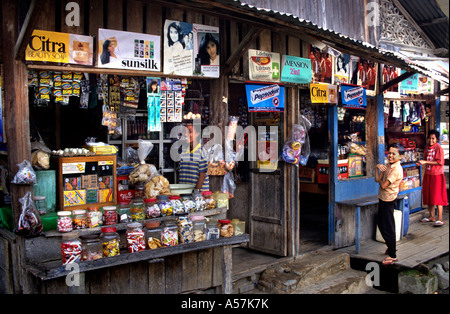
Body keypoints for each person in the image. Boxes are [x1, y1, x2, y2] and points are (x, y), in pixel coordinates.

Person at [375, 143, 405, 265]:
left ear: (401, 156)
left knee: (388, 227)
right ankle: (390, 246)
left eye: (394, 153)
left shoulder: (396, 169)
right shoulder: (388, 165)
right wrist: (377, 169)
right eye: (390, 153)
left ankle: (392, 255)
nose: (391, 155)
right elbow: (377, 179)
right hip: (383, 198)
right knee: (381, 224)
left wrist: (381, 175)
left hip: (389, 200)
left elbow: (383, 185)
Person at [417, 130, 448, 227]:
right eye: (429, 138)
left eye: (433, 138)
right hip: (428, 174)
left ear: (437, 139)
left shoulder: (439, 148)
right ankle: (431, 216)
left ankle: (440, 219)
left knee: (437, 196)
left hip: (437, 175)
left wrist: (425, 162)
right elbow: (426, 160)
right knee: (429, 195)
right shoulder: (427, 148)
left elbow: (440, 162)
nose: (431, 140)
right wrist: (421, 162)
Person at [178, 123, 210, 191]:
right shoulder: (183, 152)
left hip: (198, 196)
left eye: (190, 131)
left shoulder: (202, 152)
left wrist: (195, 193)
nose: (186, 134)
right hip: (185, 194)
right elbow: (181, 174)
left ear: (197, 134)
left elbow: (202, 175)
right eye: (184, 131)